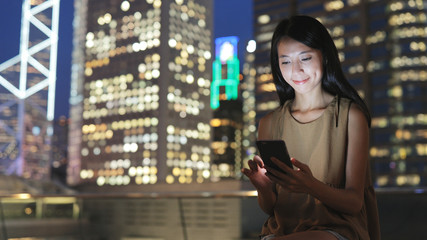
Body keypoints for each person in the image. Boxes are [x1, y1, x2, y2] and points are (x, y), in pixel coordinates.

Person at [241, 15, 380, 240]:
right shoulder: (269, 123)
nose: (296, 71)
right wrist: (264, 188)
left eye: (305, 58)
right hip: (282, 232)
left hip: (336, 231)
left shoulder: (350, 116)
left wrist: (310, 185)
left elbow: (354, 202)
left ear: (324, 56)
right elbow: (271, 207)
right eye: (285, 61)